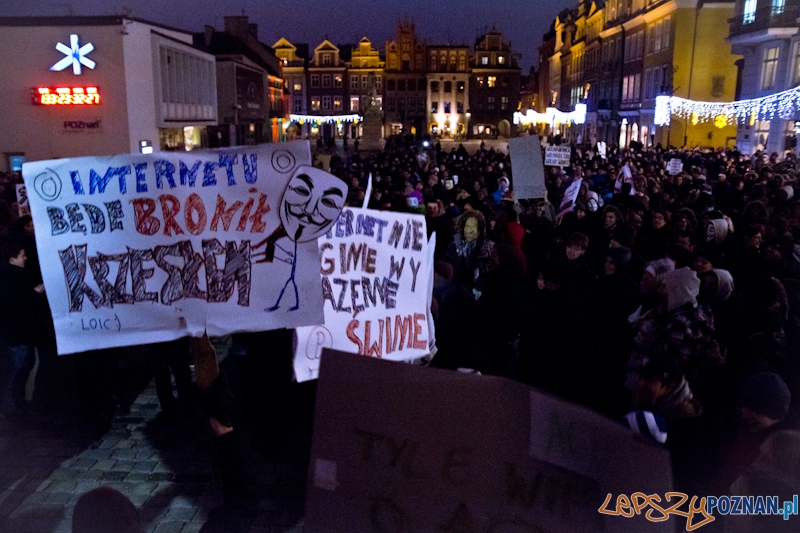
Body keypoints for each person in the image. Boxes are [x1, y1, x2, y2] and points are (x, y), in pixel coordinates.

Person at [0, 240, 44, 416]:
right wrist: (35, 294)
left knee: (21, 366)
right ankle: (12, 405)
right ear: (12, 258)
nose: (25, 258)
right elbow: (19, 303)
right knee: (20, 367)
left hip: (14, 330)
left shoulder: (10, 275)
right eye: (22, 255)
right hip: (18, 330)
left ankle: (14, 404)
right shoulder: (17, 276)